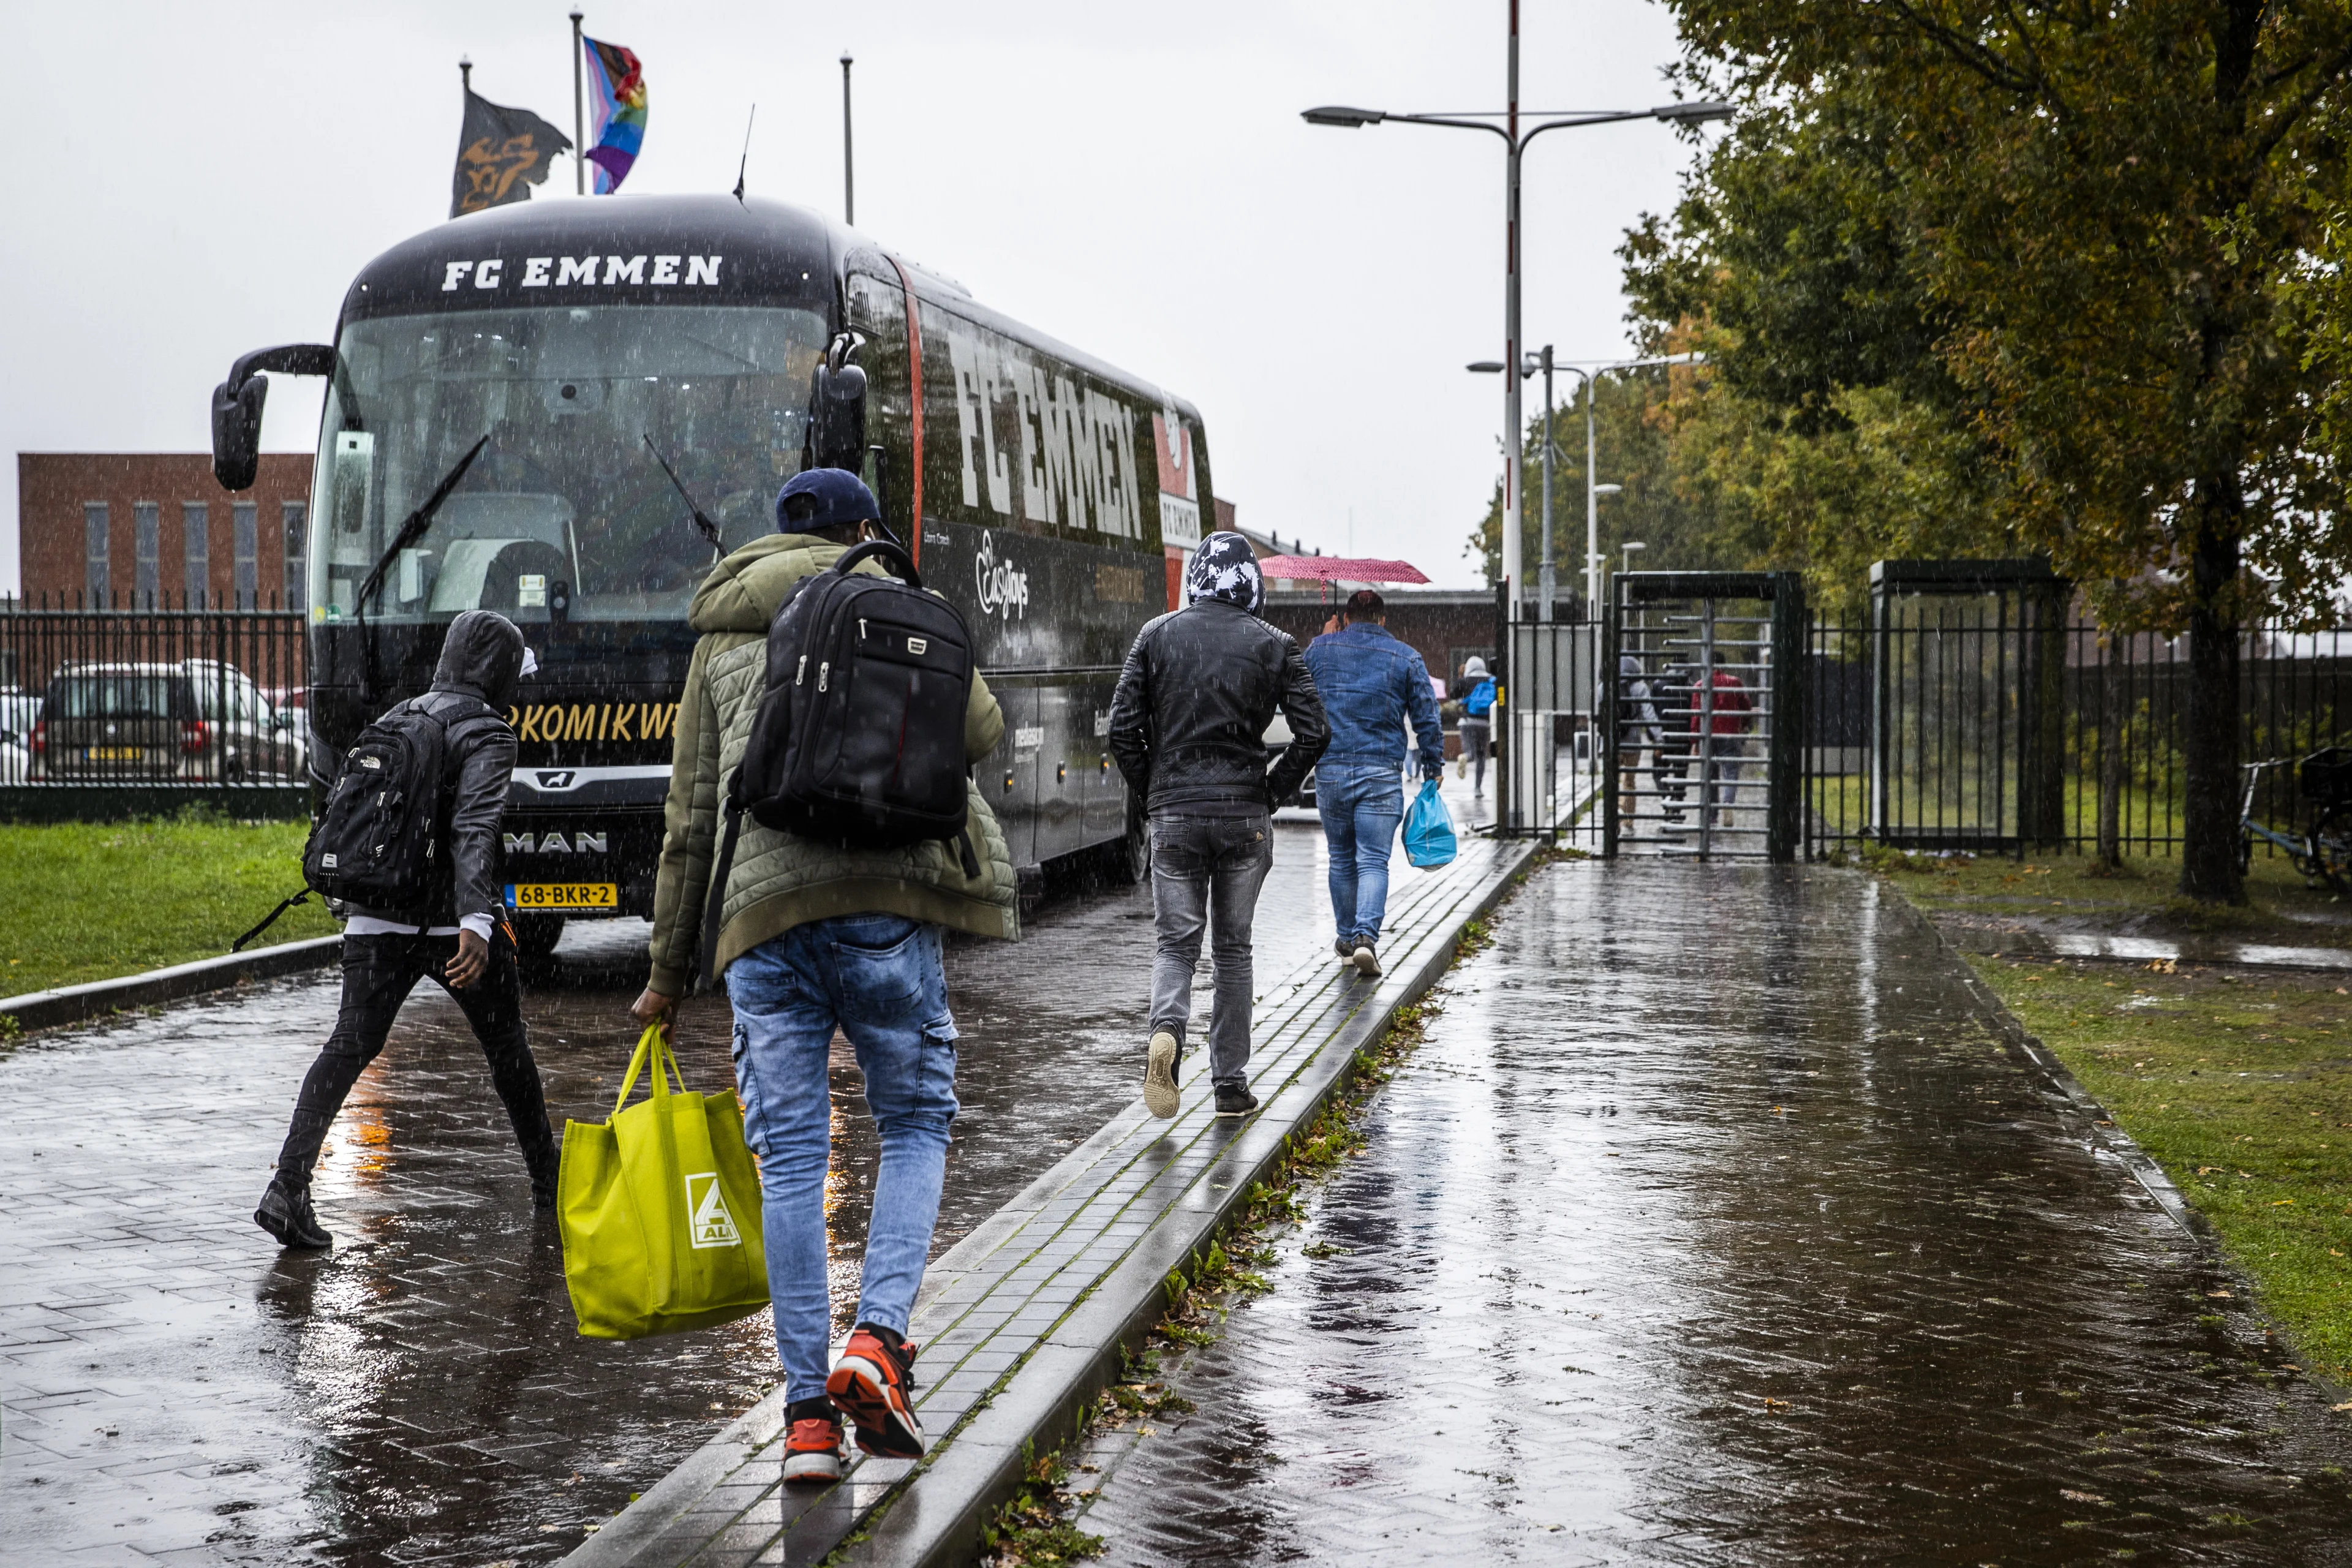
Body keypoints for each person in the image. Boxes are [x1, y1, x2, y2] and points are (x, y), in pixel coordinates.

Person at [632, 467, 1017, 1488]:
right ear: (859, 527)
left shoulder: (719, 635)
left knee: (793, 1163)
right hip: (888, 908)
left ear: (774, 534)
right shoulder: (899, 599)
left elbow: (689, 821)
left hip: (761, 922)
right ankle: (878, 1342)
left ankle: (807, 1421)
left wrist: (668, 974)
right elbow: (981, 732)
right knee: (917, 1122)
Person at [255, 609, 549, 1251]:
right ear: (499, 673)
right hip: (451, 924)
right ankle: (550, 1188)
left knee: (346, 1048)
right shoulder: (489, 730)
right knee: (507, 1051)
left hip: (374, 916)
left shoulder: (397, 716)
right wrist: (475, 919)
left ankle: (288, 1184)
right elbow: (475, 826)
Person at [1108, 530, 1327, 1123]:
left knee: (1176, 945)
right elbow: (1315, 734)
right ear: (1251, 587)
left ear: (1197, 580)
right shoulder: (1276, 644)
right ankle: (1230, 1085)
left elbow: (1121, 731)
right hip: (1243, 817)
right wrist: (1272, 792)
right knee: (1233, 950)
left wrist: (1156, 794)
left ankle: (1167, 1035)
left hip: (1175, 815)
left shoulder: (1156, 635)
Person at [1304, 590, 1444, 978]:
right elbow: (1426, 716)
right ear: (1382, 620)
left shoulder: (1320, 650)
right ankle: (1366, 937)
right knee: (1372, 860)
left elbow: (1299, 696)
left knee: (1340, 857)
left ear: (1346, 618)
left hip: (1331, 769)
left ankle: (1347, 941)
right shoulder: (1405, 656)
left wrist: (1325, 640)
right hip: (1380, 772)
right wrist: (1433, 763)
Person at [1698, 650, 1755, 826]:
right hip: (1730, 733)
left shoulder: (1700, 685)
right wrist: (1745, 724)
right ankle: (1728, 803)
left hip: (1708, 736)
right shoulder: (1735, 683)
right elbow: (1746, 707)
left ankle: (1711, 815)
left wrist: (1694, 740)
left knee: (1710, 776)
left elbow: (1695, 715)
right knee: (1731, 772)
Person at [1616, 653, 1660, 820]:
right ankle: (1628, 820)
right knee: (1629, 781)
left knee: (1612, 782)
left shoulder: (1605, 686)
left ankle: (1614, 816)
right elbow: (1650, 715)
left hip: (1612, 742)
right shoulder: (1640, 688)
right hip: (1633, 742)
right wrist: (1659, 739)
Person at [1453, 656, 1496, 795]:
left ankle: (1465, 757)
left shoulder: (1465, 681)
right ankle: (1478, 788)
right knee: (1481, 755)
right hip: (1484, 723)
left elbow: (1453, 694)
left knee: (1470, 753)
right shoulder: (1491, 680)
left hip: (1467, 722)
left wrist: (1461, 677)